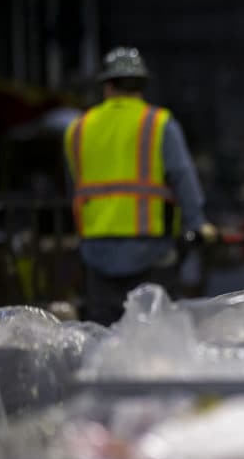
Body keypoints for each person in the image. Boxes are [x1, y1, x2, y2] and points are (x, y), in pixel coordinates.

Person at [63, 46, 216, 325]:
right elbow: (183, 177)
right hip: (150, 252)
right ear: (142, 86)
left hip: (96, 254)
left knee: (103, 334)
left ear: (107, 86)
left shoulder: (78, 128)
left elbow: (75, 183)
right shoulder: (159, 123)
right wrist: (198, 224)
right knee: (157, 332)